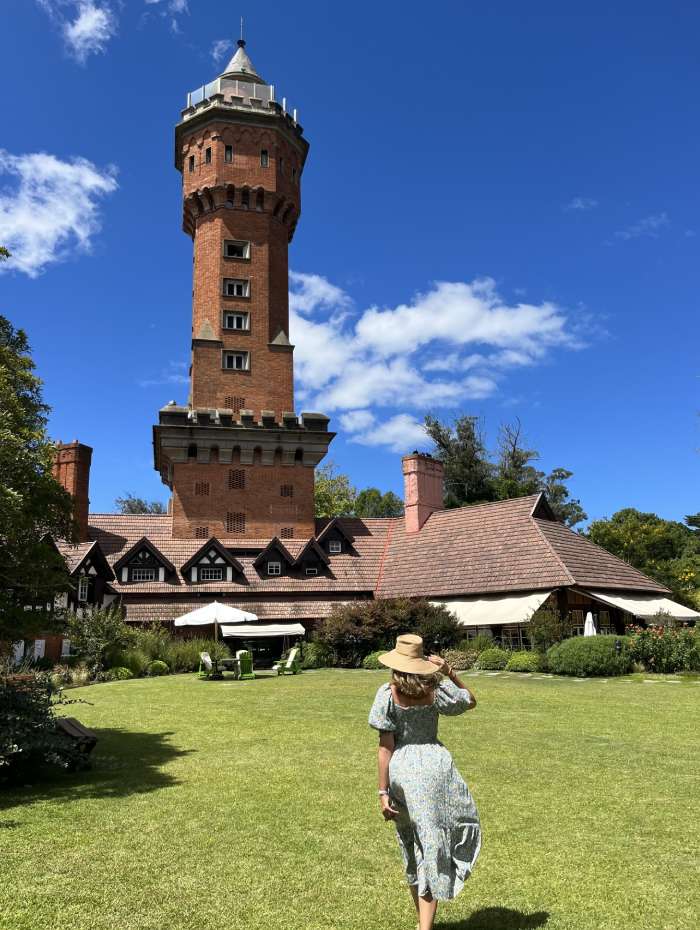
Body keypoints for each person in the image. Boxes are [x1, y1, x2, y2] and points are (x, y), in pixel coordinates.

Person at [368, 633, 481, 930]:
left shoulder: (387, 694)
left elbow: (385, 747)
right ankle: (424, 926)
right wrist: (450, 672)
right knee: (430, 846)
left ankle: (424, 926)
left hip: (402, 770)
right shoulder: (436, 690)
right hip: (435, 766)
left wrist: (382, 791)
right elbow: (470, 701)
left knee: (411, 843)